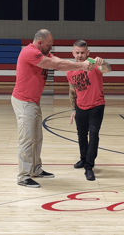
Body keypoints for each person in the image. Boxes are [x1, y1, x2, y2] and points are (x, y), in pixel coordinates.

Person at [11, 30, 95, 188]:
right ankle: (23, 176)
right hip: (23, 102)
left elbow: (57, 60)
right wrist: (81, 65)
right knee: (27, 140)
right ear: (40, 43)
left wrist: (81, 65)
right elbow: (56, 65)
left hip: (33, 102)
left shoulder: (45, 53)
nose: (51, 48)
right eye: (49, 45)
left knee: (37, 138)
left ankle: (35, 169)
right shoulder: (29, 52)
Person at [66, 40, 111, 181]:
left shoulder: (94, 63)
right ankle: (83, 158)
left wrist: (102, 63)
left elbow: (107, 69)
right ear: (73, 53)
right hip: (80, 107)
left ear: (88, 52)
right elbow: (72, 90)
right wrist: (74, 109)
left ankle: (89, 167)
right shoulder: (70, 69)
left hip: (96, 106)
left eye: (82, 52)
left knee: (94, 134)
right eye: (77, 53)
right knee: (81, 136)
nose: (80, 55)